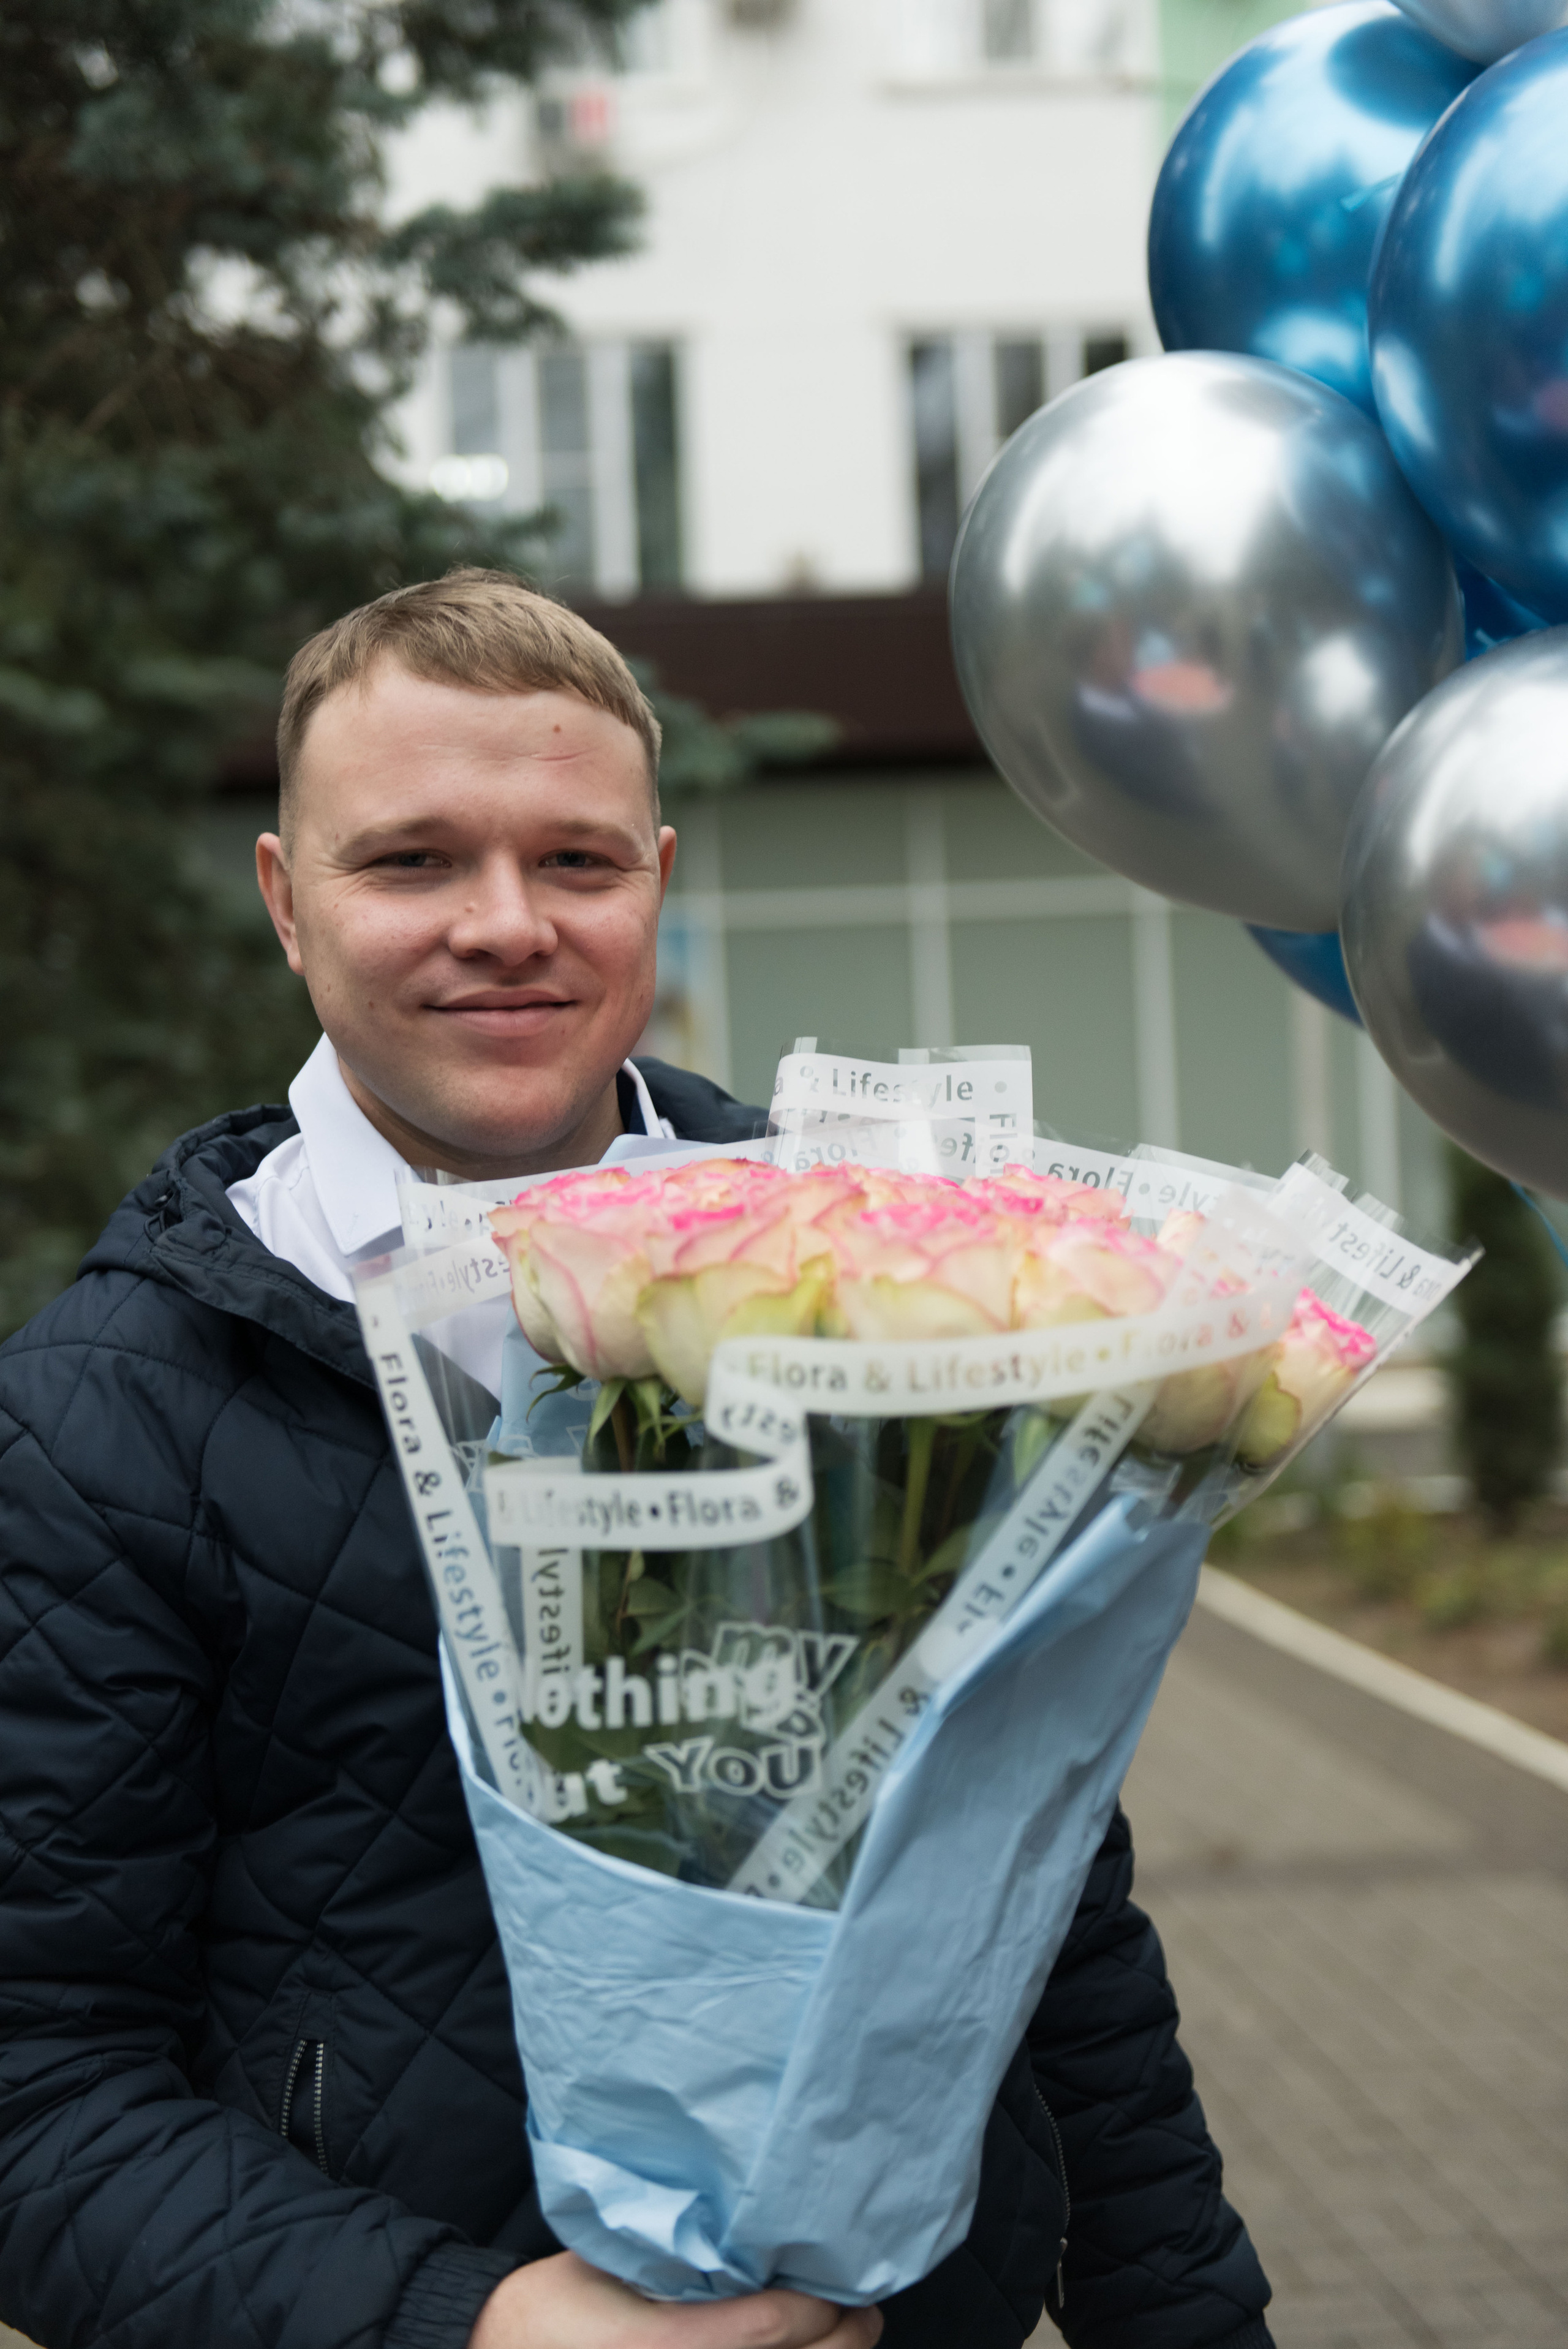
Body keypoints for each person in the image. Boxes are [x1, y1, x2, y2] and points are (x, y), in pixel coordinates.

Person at [0, 571, 1276, 2349]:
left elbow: (1041, 1884)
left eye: (577, 862)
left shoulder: (894, 1288)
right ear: (289, 905)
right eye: (414, 860)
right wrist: (476, 2324)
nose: (506, 923)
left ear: (657, 883)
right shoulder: (104, 1416)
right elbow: (36, 2090)